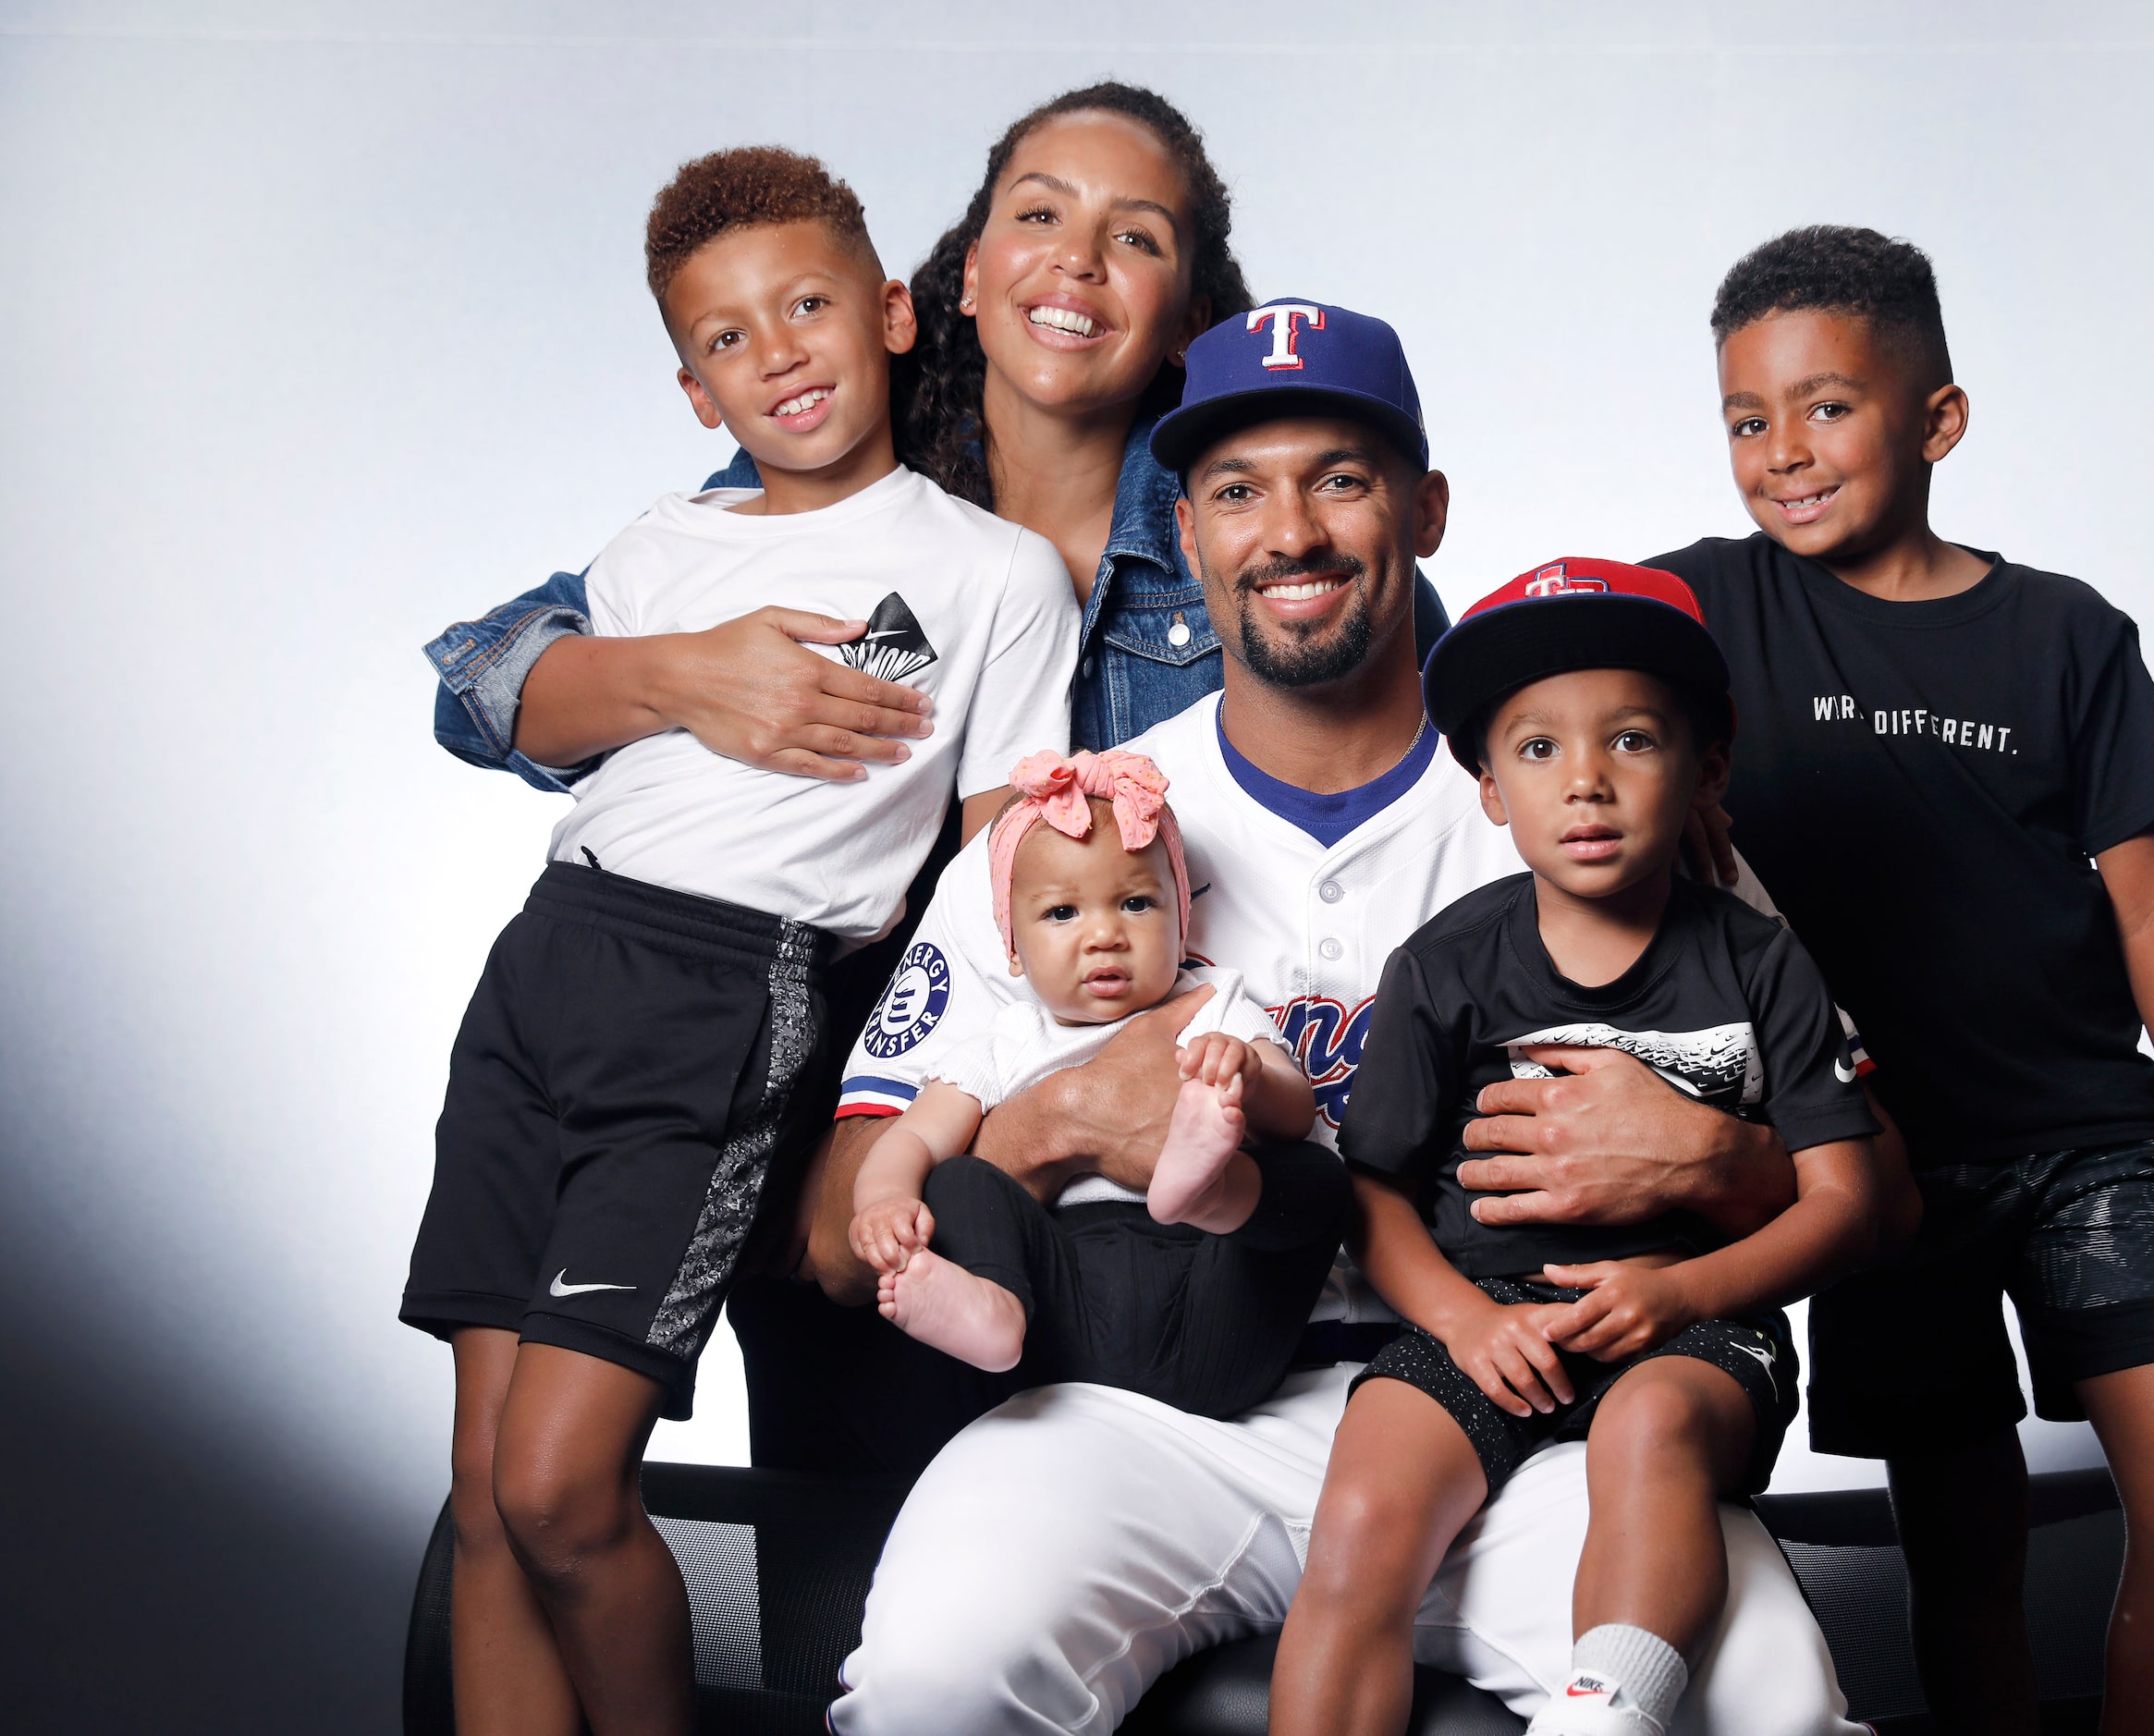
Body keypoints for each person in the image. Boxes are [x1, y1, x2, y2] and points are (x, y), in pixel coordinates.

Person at [808, 302, 1880, 1735]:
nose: (1290, 531)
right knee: (934, 1676)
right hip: (1156, 1418)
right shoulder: (1075, 819)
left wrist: (1706, 1164)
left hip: (1543, 1410)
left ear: (1425, 510)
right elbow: (834, 1235)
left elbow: (1880, 1186)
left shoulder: (1583, 787)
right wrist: (1052, 1118)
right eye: (1240, 489)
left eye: (1341, 478)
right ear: (1185, 532)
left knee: (1765, 1705)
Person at [420, 82, 1447, 1473]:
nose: (1077, 263)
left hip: (1159, 1195)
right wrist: (680, 675)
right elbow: (485, 683)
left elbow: (1440, 769)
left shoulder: (1256, 532)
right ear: (959, 275)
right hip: (825, 1131)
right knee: (856, 1631)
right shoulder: (829, 472)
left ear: (1191, 315)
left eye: (1135, 237)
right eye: (1037, 217)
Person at [399, 148, 1077, 1736]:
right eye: (726, 337)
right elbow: (496, 702)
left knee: (567, 1484)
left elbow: (984, 862)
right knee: (490, 1492)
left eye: (807, 306)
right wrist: (673, 668)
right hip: (545, 965)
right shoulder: (648, 554)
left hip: (724, 992)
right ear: (694, 389)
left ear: (895, 315)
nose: (774, 352)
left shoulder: (981, 574)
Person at [1647, 226, 2154, 1735]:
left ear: (1935, 419)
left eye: (1825, 407)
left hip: (2086, 1144)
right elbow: (1512, 679)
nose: (1780, 452)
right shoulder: (1699, 611)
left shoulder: (2059, 633)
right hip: (1873, 1167)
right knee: (1962, 1550)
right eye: (1746, 418)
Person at [1271, 558, 1910, 1736]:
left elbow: (1844, 1197)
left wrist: (1684, 1291)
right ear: (1487, 791)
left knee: (1649, 1428)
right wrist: (1466, 1323)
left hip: (1698, 1329)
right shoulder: (1447, 964)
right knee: (1364, 1508)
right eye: (1537, 750)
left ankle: (1606, 1714)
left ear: (1705, 771)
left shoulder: (1758, 960)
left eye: (1631, 742)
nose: (1586, 784)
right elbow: (1370, 1190)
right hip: (1489, 1322)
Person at [850, 746, 1346, 1418]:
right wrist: (883, 1200)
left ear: (1182, 923)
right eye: (1063, 914)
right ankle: (991, 1306)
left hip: (1212, 1307)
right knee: (955, 1177)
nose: (1105, 935)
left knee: (1318, 1176)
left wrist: (1251, 1075)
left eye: (1137, 903)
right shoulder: (1007, 1040)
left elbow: (1295, 1110)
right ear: (1013, 948)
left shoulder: (1212, 1005)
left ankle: (1208, 1191)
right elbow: (915, 1138)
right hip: (1058, 1321)